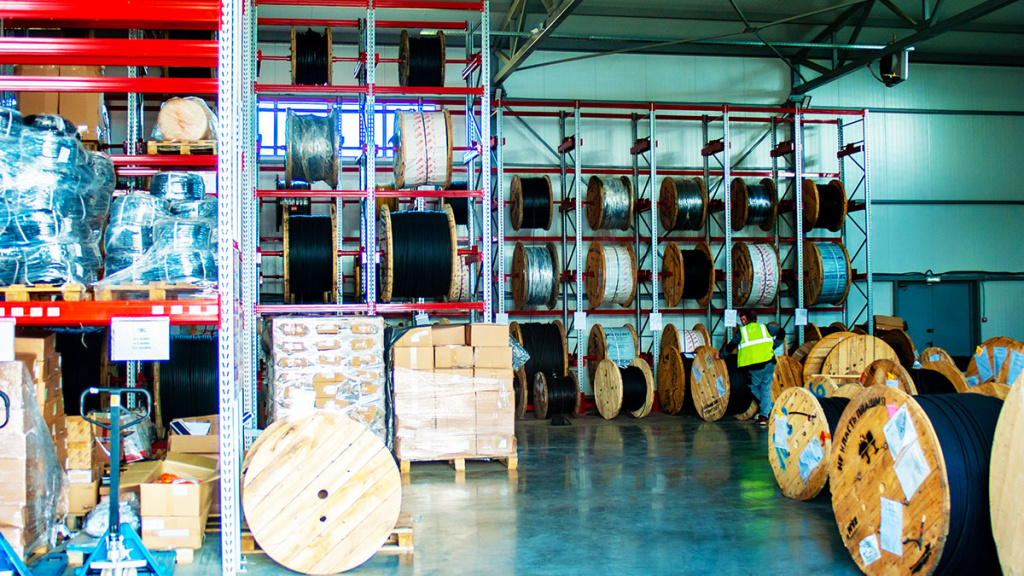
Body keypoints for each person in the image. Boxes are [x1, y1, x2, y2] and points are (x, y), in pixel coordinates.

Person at [719, 310, 785, 428]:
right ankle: (764, 416)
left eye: (742, 320)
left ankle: (771, 407)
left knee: (752, 387)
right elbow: (781, 332)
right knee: (765, 388)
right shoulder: (765, 327)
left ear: (745, 320)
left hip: (756, 367)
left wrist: (720, 355)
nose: (741, 322)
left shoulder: (742, 331)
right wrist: (773, 346)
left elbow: (731, 345)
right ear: (756, 319)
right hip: (770, 363)